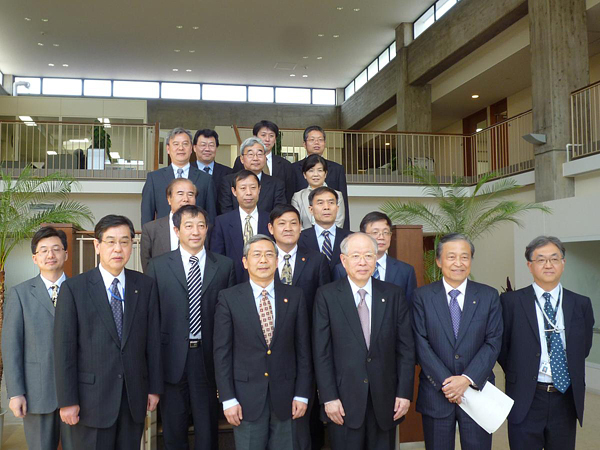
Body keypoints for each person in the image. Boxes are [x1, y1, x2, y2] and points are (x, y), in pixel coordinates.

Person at [54, 215, 163, 449]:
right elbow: (64, 350)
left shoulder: (144, 286)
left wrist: (154, 388)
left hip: (133, 398)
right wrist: (67, 401)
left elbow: (152, 342)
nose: (118, 249)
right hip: (90, 401)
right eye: (111, 241)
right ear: (97, 245)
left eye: (124, 242)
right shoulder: (74, 289)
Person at [313, 232, 415, 450]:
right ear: (343, 260)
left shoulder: (393, 294)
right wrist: (329, 397)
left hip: (386, 400)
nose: (362, 262)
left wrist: (404, 393)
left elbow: (405, 349)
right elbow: (321, 352)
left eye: (369, 256)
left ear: (376, 258)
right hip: (343, 402)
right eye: (356, 256)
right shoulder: (327, 296)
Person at [146, 205, 235, 450]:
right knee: (174, 433)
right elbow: (152, 318)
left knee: (208, 431)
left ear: (207, 229)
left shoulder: (225, 266)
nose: (195, 231)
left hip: (208, 359)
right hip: (171, 359)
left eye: (201, 225)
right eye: (188, 225)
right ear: (176, 230)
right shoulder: (157, 266)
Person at [213, 235, 312, 449]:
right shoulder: (229, 298)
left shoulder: (295, 296)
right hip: (245, 400)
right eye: (256, 255)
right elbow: (222, 353)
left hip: (287, 398)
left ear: (277, 262)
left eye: (269, 255)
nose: (263, 260)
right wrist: (228, 399)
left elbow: (304, 350)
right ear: (245, 262)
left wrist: (302, 394)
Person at [498, 236, 594, 450]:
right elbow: (502, 349)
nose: (548, 265)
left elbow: (583, 348)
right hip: (526, 396)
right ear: (529, 265)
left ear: (563, 263)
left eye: (554, 258)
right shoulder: (511, 303)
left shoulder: (581, 304)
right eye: (541, 260)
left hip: (565, 397)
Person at [411, 233, 502, 450]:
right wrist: (448, 383)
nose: (458, 263)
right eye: (451, 257)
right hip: (436, 393)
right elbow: (420, 342)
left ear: (471, 260)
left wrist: (466, 380)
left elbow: (493, 341)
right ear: (439, 261)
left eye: (465, 257)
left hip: (477, 391)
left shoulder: (488, 296)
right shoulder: (422, 296)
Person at [2, 227, 74, 450]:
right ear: (35, 258)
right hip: (36, 393)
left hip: (76, 394)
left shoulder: (81, 290)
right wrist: (15, 393)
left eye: (55, 249)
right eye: (43, 250)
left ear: (66, 254)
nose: (50, 255)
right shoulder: (19, 294)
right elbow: (11, 347)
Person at [267, 203, 331, 450]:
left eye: (294, 223)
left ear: (302, 227)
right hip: (270, 345)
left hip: (307, 343)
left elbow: (324, 303)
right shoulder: (260, 258)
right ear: (271, 228)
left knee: (308, 408)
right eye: (281, 223)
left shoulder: (316, 260)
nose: (288, 228)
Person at [333, 211, 417, 303]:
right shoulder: (341, 269)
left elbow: (409, 306)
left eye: (386, 232)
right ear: (363, 235)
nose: (381, 237)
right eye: (375, 232)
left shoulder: (405, 271)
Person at [141, 127, 216, 225]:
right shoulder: (154, 178)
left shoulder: (205, 179)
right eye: (176, 144)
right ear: (168, 148)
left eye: (185, 144)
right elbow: (147, 216)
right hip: (164, 238)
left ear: (191, 148)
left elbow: (211, 217)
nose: (181, 148)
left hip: (196, 237)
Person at [210, 170, 271, 282]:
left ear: (259, 189)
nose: (248, 193)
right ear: (234, 191)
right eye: (243, 188)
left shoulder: (270, 220)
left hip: (265, 281)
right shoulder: (222, 222)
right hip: (232, 283)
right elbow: (217, 258)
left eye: (253, 187)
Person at [292, 126, 349, 229]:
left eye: (320, 140)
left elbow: (342, 208)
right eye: (312, 140)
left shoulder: (337, 168)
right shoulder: (293, 168)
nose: (316, 143)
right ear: (304, 144)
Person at [140, 177, 197, 272]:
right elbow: (147, 266)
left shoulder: (206, 229)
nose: (186, 199)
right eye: (180, 194)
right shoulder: (151, 229)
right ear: (169, 199)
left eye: (190, 194)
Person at [218, 137, 286, 214]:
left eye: (260, 154)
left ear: (265, 158)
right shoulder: (228, 182)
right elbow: (226, 212)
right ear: (242, 159)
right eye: (250, 154)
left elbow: (278, 214)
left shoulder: (277, 184)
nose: (255, 158)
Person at [232, 120, 295, 202]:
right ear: (255, 137)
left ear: (275, 139)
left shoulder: (285, 164)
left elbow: (289, 193)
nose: (267, 139)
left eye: (271, 136)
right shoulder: (242, 160)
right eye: (263, 135)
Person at [297, 186, 351, 273]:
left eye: (331, 202)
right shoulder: (299, 238)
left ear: (337, 208)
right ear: (311, 209)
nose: (326, 207)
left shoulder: (351, 238)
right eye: (320, 203)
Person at [292, 154, 345, 230]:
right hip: (305, 239)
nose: (316, 174)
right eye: (311, 171)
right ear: (304, 175)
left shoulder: (337, 195)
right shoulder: (297, 197)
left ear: (325, 174)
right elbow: (296, 223)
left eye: (320, 170)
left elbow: (339, 222)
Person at [193, 128, 233, 198]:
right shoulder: (186, 171)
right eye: (203, 145)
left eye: (211, 145)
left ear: (216, 148)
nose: (207, 149)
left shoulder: (228, 173)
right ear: (194, 148)